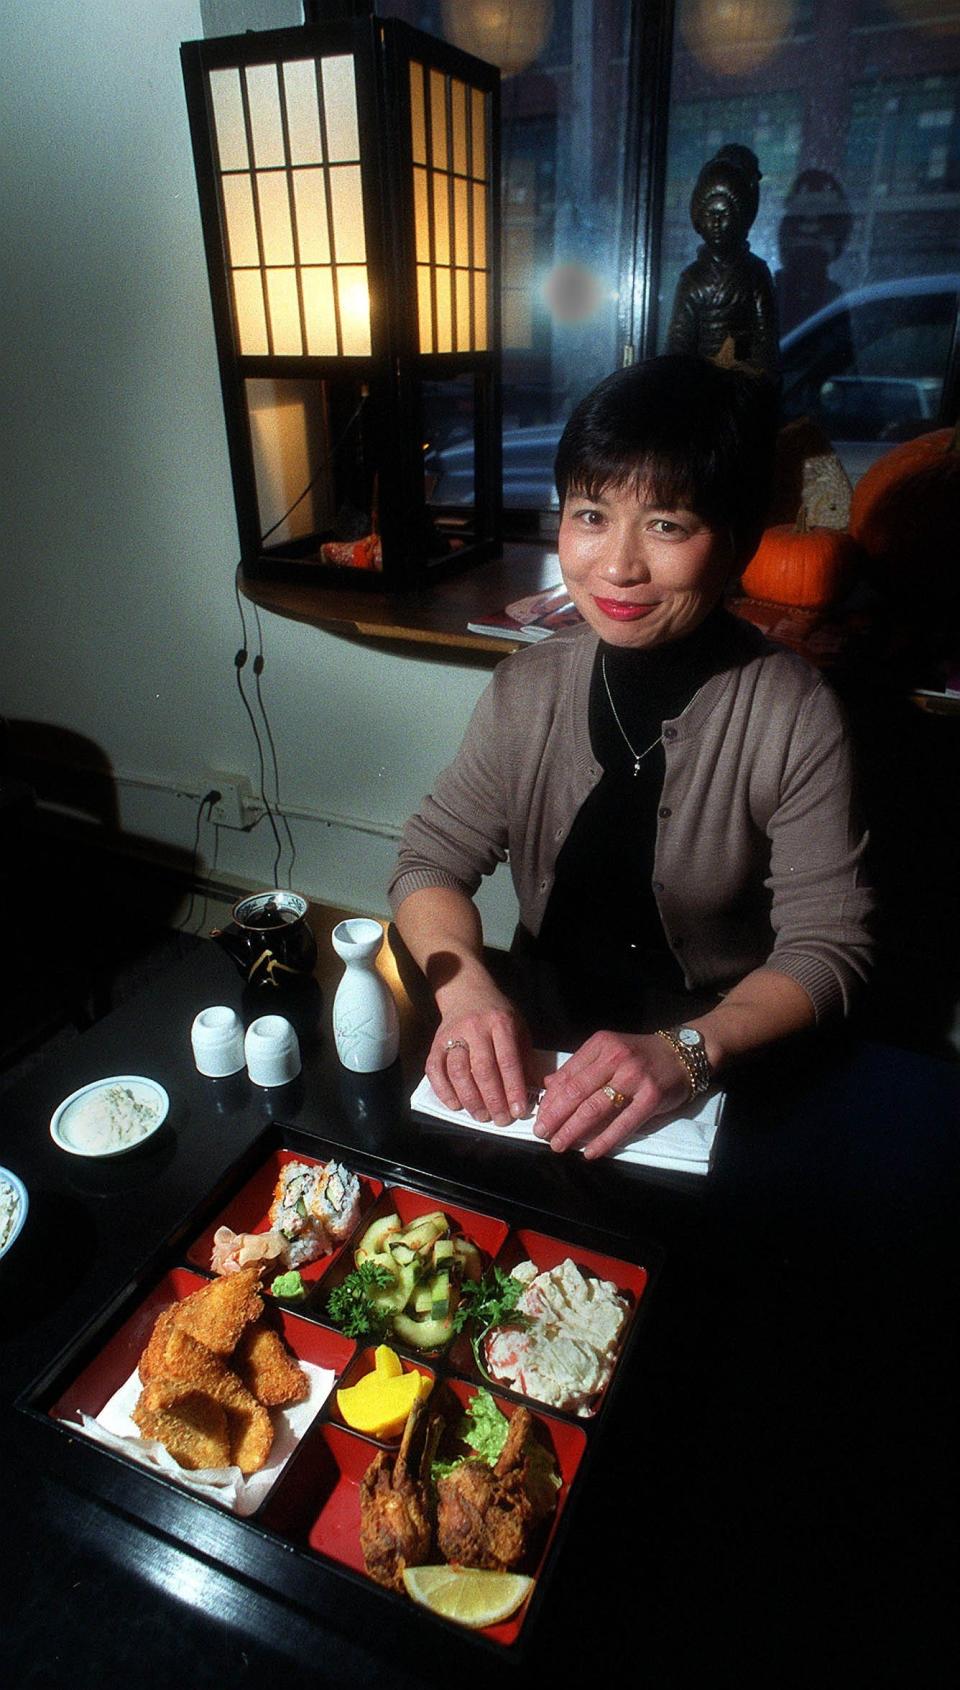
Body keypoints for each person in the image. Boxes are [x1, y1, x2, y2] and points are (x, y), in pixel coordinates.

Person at [389, 354, 873, 1159]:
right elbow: (429, 861)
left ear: (738, 541)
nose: (617, 565)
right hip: (537, 1043)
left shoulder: (792, 711)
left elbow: (829, 947)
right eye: (590, 515)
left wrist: (691, 1049)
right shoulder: (529, 685)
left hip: (711, 1057)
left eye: (667, 524)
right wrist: (466, 988)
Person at [666, 147, 780, 380]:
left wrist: (760, 382)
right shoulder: (692, 278)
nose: (716, 223)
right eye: (710, 215)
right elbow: (680, 344)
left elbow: (765, 340)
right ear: (698, 219)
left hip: (742, 384)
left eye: (724, 214)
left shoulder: (755, 273)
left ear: (739, 217)